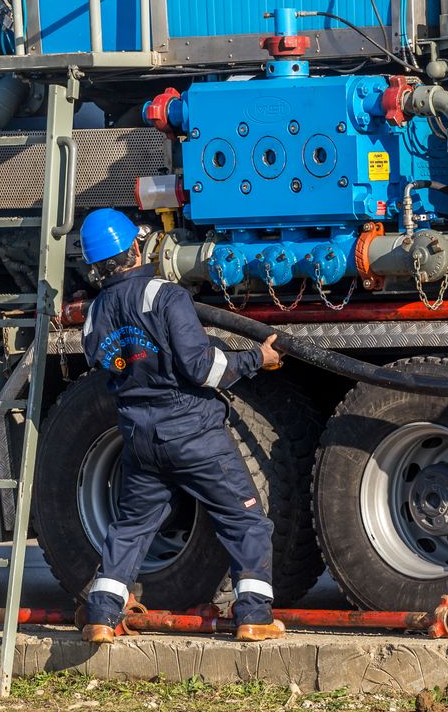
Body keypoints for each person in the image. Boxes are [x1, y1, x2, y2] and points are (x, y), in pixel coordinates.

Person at [76, 208, 285, 644]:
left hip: (139, 438)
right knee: (245, 521)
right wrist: (256, 359)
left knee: (131, 527)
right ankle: (254, 616)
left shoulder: (95, 313)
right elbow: (201, 368)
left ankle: (101, 615)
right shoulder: (165, 296)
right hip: (192, 433)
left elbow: (111, 364)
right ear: (135, 249)